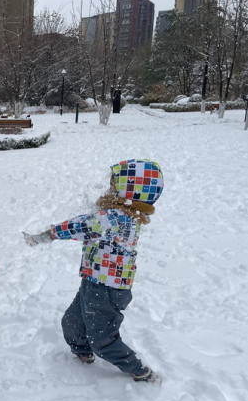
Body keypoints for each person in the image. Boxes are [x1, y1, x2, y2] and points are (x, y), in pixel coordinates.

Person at [22, 159, 164, 383]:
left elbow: (80, 226)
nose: (110, 188)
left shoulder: (115, 218)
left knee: (103, 340)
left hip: (107, 289)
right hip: (94, 283)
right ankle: (83, 352)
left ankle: (139, 371)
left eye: (114, 185)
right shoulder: (125, 213)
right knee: (72, 323)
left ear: (130, 190)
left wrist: (47, 235)